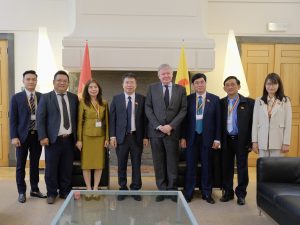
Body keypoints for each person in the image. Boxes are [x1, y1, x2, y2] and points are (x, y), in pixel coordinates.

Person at [145, 64, 187, 202]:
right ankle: (162, 189)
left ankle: (172, 190)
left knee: (172, 161)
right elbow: (148, 108)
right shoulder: (152, 88)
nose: (166, 76)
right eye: (163, 74)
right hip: (155, 132)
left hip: (172, 133)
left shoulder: (180, 89)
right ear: (158, 76)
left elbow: (183, 110)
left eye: (168, 73)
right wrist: (158, 126)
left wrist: (171, 126)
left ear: (172, 74)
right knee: (158, 162)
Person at [37, 70, 79, 204]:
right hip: (52, 140)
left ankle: (65, 191)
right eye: (59, 80)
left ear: (68, 83)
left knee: (67, 167)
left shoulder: (73, 98)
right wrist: (42, 136)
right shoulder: (46, 97)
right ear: (54, 82)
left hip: (69, 139)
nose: (62, 83)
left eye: (65, 81)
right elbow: (40, 118)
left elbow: (76, 118)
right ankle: (51, 193)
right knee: (51, 168)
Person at [180, 73, 221, 204]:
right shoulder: (188, 99)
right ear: (193, 85)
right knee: (190, 166)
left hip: (208, 138)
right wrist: (182, 137)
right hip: (191, 138)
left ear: (205, 83)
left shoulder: (214, 99)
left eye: (202, 82)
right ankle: (188, 193)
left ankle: (207, 193)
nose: (199, 85)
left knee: (207, 166)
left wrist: (217, 139)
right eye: (196, 83)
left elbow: (218, 121)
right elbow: (184, 121)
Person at [109, 72, 148, 201]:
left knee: (136, 164)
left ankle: (136, 188)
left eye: (132, 82)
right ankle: (123, 187)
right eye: (127, 82)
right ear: (123, 85)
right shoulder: (116, 98)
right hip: (121, 138)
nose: (129, 85)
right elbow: (112, 119)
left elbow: (145, 120)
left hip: (137, 137)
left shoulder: (142, 99)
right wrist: (112, 136)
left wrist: (145, 136)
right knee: (121, 164)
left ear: (136, 85)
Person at [9, 70, 46, 203]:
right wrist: (14, 136)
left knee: (35, 165)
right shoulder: (16, 97)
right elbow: (13, 119)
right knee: (20, 165)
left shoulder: (42, 97)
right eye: (28, 79)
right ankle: (21, 192)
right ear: (23, 81)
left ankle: (35, 189)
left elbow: (44, 118)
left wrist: (44, 135)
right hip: (22, 137)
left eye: (33, 79)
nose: (31, 81)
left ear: (36, 81)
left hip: (37, 136)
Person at [220, 76, 254, 205]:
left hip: (241, 140)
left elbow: (253, 124)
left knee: (242, 167)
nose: (230, 87)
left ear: (239, 86)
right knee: (226, 167)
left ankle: (241, 194)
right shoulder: (221, 103)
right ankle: (228, 192)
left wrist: (251, 141)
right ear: (224, 88)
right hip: (226, 140)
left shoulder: (249, 103)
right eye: (227, 85)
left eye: (233, 84)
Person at [76, 80, 109, 199]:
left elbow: (107, 122)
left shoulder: (104, 103)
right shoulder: (83, 102)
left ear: (99, 89)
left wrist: (107, 138)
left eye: (95, 87)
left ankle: (95, 188)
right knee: (87, 164)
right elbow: (79, 122)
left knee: (98, 164)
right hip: (86, 137)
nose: (93, 89)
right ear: (87, 90)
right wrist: (79, 140)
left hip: (100, 137)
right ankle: (88, 188)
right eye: (91, 87)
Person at [252, 73, 292, 157]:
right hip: (262, 141)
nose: (271, 87)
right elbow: (255, 122)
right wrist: (254, 141)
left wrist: (286, 143)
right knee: (263, 167)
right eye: (269, 84)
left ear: (279, 85)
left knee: (277, 168)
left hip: (278, 142)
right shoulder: (259, 100)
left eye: (274, 84)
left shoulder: (285, 101)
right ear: (265, 85)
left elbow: (288, 123)